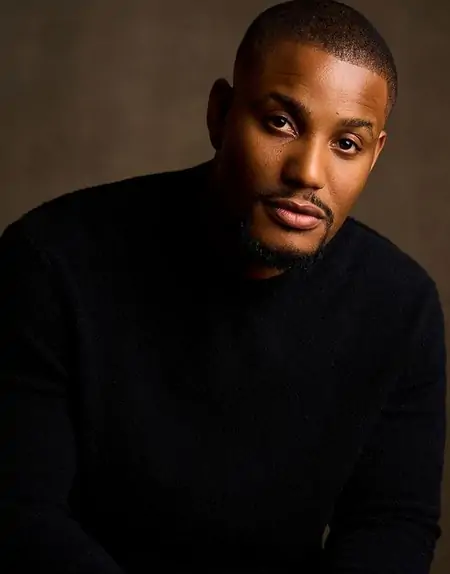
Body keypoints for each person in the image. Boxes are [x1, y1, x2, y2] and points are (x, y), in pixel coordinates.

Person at [0, 1, 446, 573]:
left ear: (375, 155)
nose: (308, 172)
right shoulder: (51, 261)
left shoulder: (402, 307)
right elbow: (21, 512)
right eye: (280, 123)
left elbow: (391, 525)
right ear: (220, 114)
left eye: (346, 145)